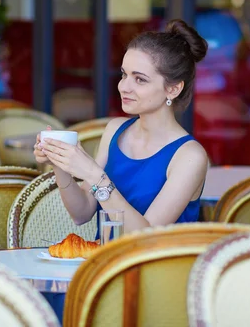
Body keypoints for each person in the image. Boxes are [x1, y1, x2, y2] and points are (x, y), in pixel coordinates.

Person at [34, 19, 209, 232]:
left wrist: (94, 175)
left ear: (173, 89)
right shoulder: (115, 131)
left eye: (140, 80)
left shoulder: (189, 156)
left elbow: (144, 237)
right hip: (104, 262)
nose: (124, 86)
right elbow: (81, 214)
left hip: (154, 265)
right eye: (124, 74)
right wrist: (60, 163)